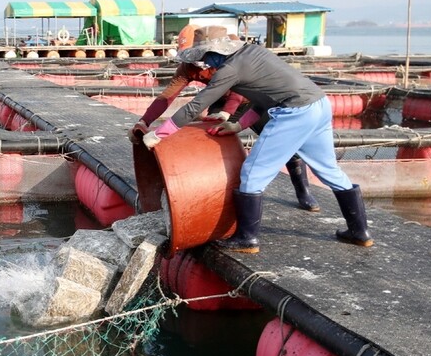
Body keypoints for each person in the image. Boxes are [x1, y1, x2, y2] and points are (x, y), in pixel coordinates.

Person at [139, 25, 372, 254]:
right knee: (329, 170)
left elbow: (196, 106)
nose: (205, 62)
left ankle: (247, 238)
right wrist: (239, 125)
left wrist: (159, 134)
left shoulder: (229, 69)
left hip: (295, 112)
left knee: (252, 173)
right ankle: (359, 232)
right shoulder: (253, 53)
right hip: (318, 105)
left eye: (206, 56)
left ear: (217, 52)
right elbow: (265, 97)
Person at [129, 26, 320, 213]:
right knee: (212, 138)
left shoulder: (230, 53)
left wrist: (227, 114)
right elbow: (167, 96)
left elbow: (239, 87)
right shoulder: (187, 68)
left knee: (285, 142)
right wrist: (145, 121)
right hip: (218, 100)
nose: (200, 61)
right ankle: (215, 189)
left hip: (251, 100)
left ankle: (303, 191)